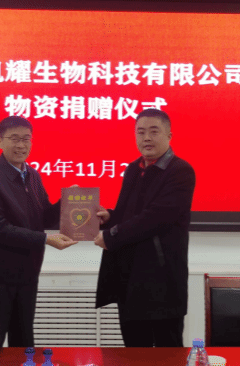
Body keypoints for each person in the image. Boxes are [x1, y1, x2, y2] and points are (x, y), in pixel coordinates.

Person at [94, 108, 196, 347]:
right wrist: (110, 217)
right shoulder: (133, 169)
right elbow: (130, 213)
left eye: (153, 131)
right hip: (129, 279)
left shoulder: (180, 171)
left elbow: (157, 217)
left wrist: (111, 235)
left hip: (161, 280)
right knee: (134, 352)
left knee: (167, 354)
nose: (146, 138)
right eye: (140, 132)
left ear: (169, 135)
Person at [0, 116, 78, 347]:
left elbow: (44, 217)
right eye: (14, 139)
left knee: (24, 341)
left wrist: (67, 201)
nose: (21, 145)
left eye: (26, 139)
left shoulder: (33, 175)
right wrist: (45, 239)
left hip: (27, 274)